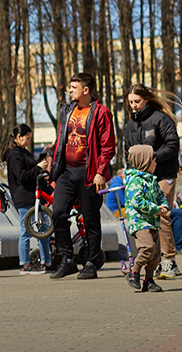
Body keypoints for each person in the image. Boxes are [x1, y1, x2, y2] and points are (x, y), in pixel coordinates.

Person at [49, 72, 116, 280]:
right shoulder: (67, 110)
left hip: (89, 173)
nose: (69, 90)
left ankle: (90, 263)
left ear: (85, 90)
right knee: (58, 213)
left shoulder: (101, 112)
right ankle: (67, 259)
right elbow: (61, 140)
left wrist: (100, 172)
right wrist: (53, 171)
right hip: (67, 172)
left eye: (73, 87)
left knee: (91, 219)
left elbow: (108, 146)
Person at [123, 84, 181, 279]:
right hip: (142, 179)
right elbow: (128, 153)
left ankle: (169, 260)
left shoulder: (160, 119)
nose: (134, 106)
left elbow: (173, 144)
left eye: (137, 101)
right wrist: (130, 173)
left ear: (146, 99)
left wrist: (152, 157)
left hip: (164, 173)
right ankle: (154, 261)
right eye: (131, 102)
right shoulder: (130, 125)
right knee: (149, 217)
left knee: (162, 213)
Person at [1, 124, 52, 274]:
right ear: (18, 137)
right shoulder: (14, 155)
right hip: (24, 197)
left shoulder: (23, 152)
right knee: (26, 231)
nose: (29, 141)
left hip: (35, 196)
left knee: (44, 229)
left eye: (30, 138)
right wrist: (38, 167)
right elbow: (22, 176)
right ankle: (24, 263)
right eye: (27, 138)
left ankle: (46, 261)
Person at [124, 145, 168, 292]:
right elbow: (137, 201)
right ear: (144, 162)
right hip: (140, 222)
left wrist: (164, 205)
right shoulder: (135, 181)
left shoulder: (152, 181)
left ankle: (148, 280)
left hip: (153, 221)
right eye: (153, 161)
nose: (156, 163)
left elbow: (160, 196)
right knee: (147, 247)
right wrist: (156, 209)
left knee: (155, 254)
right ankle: (134, 272)